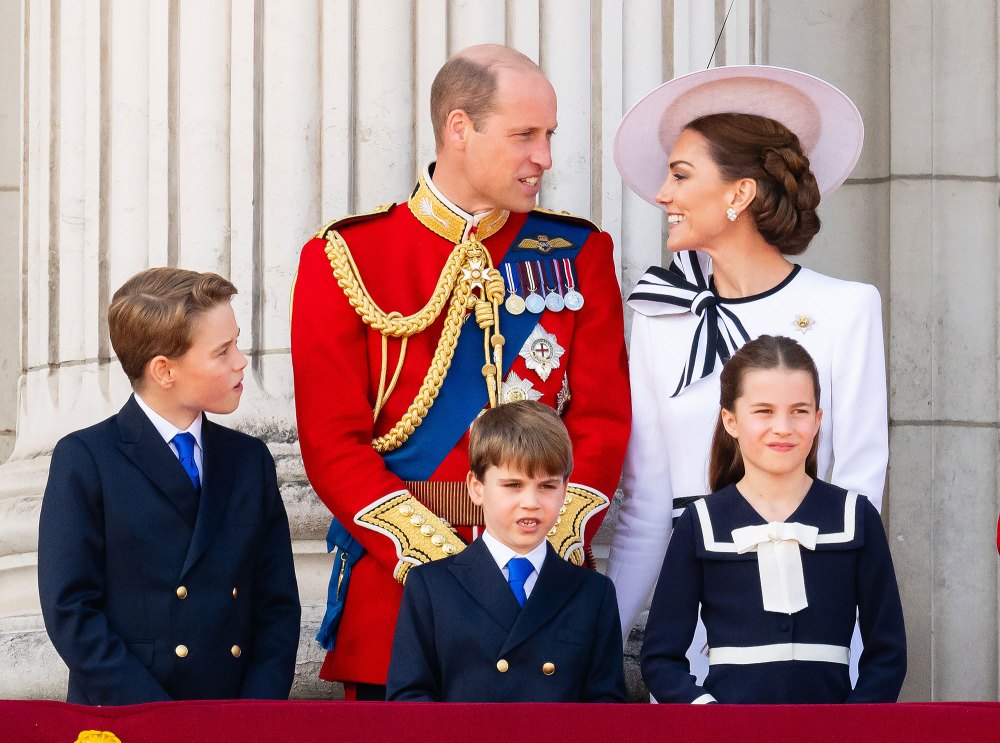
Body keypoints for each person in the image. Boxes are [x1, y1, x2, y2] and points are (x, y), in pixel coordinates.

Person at [291, 44, 629, 700]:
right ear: (458, 128)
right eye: (525, 134)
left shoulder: (579, 253)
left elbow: (603, 423)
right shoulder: (346, 257)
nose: (546, 157)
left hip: (543, 596)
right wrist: (447, 568)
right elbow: (333, 446)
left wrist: (534, 550)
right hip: (401, 591)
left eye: (550, 135)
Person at [606, 67, 888, 679]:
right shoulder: (660, 316)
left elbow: (860, 487)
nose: (662, 194)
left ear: (739, 195)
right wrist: (600, 645)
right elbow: (647, 507)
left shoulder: (848, 308)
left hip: (812, 618)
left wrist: (856, 646)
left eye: (681, 176)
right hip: (694, 620)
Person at [37, 268, 301, 705]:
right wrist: (158, 721)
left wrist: (255, 716)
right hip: (127, 715)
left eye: (236, 342)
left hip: (233, 721)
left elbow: (276, 607)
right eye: (222, 350)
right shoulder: (87, 458)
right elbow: (71, 611)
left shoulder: (249, 460)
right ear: (164, 370)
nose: (241, 361)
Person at [640, 335, 905, 703]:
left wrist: (851, 726)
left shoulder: (856, 517)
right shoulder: (700, 523)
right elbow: (660, 657)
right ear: (730, 420)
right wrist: (709, 716)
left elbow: (888, 654)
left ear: (817, 419)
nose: (783, 427)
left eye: (799, 410)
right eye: (764, 411)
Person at [386, 400, 626, 702]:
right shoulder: (431, 587)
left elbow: (606, 711)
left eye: (547, 486)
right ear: (476, 487)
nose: (531, 502)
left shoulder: (593, 593)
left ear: (565, 490)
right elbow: (409, 702)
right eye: (513, 485)